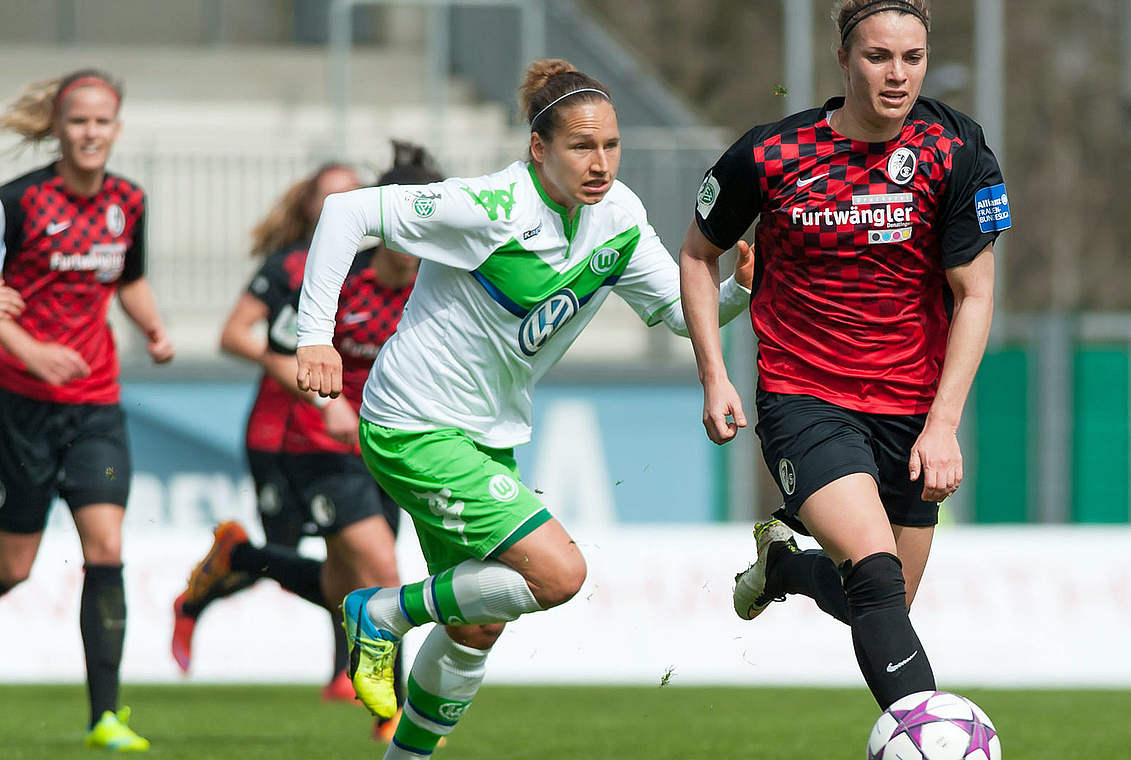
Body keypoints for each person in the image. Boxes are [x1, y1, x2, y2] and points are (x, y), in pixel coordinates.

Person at [294, 59, 752, 759]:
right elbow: (345, 211)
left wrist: (740, 293)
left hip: (486, 435)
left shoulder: (619, 218)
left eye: (611, 146)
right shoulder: (491, 209)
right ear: (539, 148)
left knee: (477, 624)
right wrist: (313, 337)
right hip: (413, 422)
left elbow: (674, 311)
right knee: (558, 573)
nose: (600, 163)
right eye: (581, 146)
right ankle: (379, 609)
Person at [679, 0, 1008, 711]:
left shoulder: (955, 150)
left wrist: (944, 424)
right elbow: (697, 255)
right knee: (879, 583)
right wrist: (714, 375)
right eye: (878, 57)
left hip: (912, 409)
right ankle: (928, 741)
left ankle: (785, 569)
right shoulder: (771, 154)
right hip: (807, 399)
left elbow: (975, 295)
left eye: (912, 58)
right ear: (843, 60)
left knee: (882, 603)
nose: (898, 75)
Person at [174, 142, 444, 742]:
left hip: (392, 449)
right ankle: (391, 712)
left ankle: (237, 557)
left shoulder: (443, 285)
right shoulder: (334, 279)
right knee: (379, 565)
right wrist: (332, 402)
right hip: (319, 447)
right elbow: (283, 351)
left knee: (343, 584)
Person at [0, 69, 176, 751]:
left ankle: (105, 715)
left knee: (105, 546)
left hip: (97, 404)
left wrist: (154, 328)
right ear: (58, 127)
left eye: (103, 121)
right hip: (22, 404)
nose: (91, 132)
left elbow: (128, 278)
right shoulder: (16, 203)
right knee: (14, 567)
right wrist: (27, 348)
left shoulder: (128, 200)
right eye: (79, 121)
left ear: (118, 128)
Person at [170, 161, 364, 702]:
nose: (339, 209)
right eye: (327, 199)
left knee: (355, 552)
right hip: (282, 433)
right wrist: (300, 368)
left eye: (351, 197)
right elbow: (233, 335)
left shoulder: (378, 268)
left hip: (348, 431)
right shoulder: (292, 267)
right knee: (284, 553)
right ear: (308, 207)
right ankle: (212, 580)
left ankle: (344, 674)